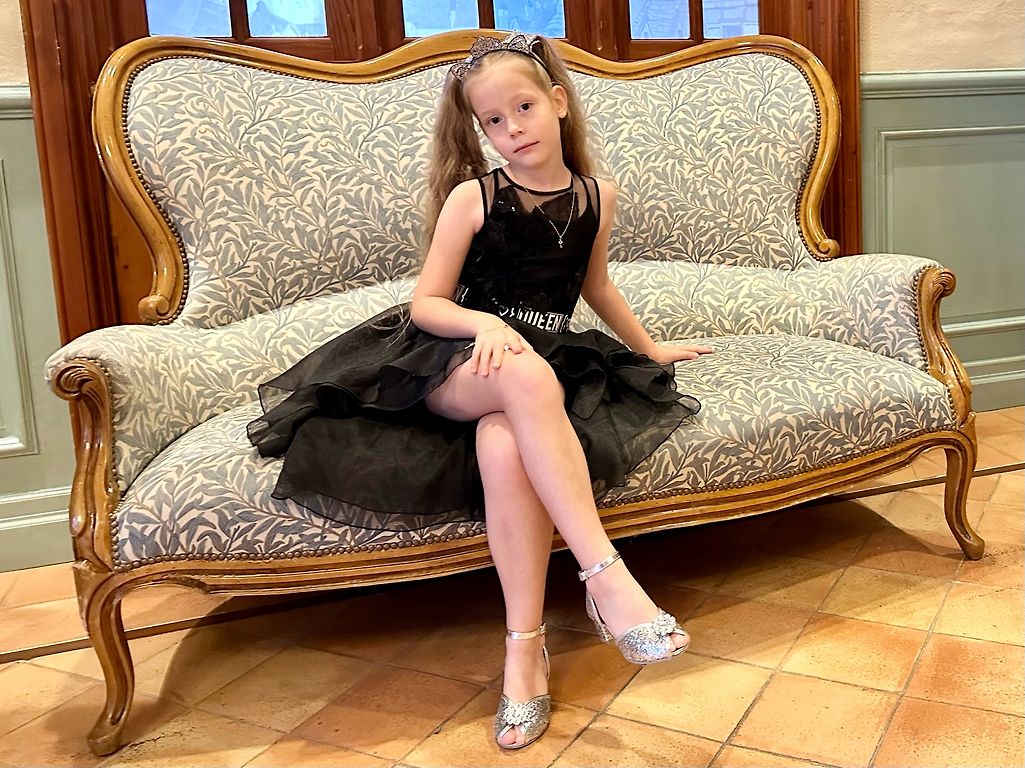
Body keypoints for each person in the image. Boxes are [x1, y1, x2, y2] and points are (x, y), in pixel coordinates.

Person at [248, 32, 713, 750]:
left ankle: (523, 653)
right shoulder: (475, 197)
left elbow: (595, 287)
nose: (512, 128)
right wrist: (485, 324)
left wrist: (649, 350)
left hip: (539, 364)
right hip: (448, 360)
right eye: (493, 120)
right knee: (521, 374)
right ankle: (607, 578)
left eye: (523, 108)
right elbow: (427, 303)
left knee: (503, 444)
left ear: (557, 102)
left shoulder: (598, 197)